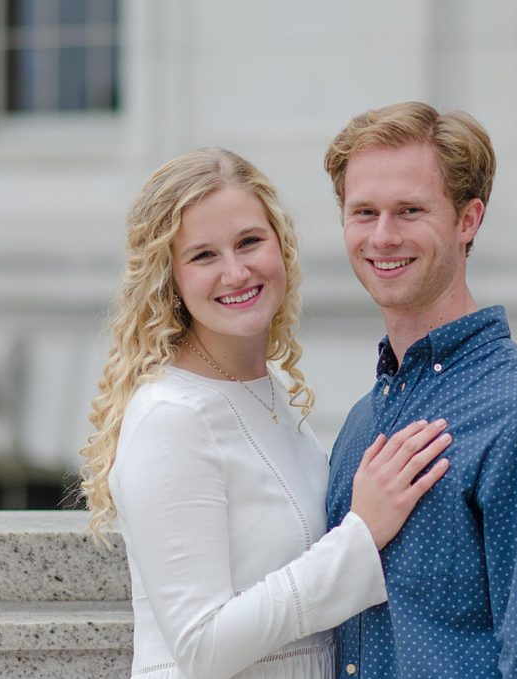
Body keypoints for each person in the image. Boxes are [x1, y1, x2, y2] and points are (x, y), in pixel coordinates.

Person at [79, 147, 452, 679]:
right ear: (170, 279)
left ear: (281, 245)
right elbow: (202, 647)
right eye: (203, 256)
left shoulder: (266, 388)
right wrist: (361, 534)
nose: (236, 271)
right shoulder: (172, 417)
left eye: (249, 242)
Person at [323, 101, 517, 678]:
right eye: (364, 211)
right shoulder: (362, 419)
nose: (382, 236)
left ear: (467, 220)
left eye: (409, 210)